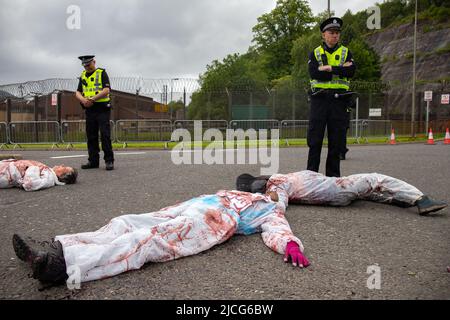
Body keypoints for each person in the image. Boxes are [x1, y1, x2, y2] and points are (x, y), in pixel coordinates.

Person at [12, 189, 309, 286]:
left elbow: (278, 230)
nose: (267, 191)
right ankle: (61, 246)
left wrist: (291, 244)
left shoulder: (270, 211)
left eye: (273, 191)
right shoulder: (226, 192)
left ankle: (64, 267)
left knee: (147, 240)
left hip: (211, 225)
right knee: (125, 221)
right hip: (185, 210)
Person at [236, 171, 447, 216]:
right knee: (376, 179)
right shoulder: (276, 185)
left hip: (333, 189)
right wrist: (263, 198)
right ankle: (421, 199)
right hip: (336, 189)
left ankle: (398, 200)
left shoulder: (278, 180)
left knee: (369, 193)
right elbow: (278, 204)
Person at [307, 17, 356, 177]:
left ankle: (333, 179)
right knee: (315, 141)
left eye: (337, 33)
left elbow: (351, 72)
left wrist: (329, 68)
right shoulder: (315, 52)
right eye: (331, 32)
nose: (335, 35)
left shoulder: (346, 52)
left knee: (336, 142)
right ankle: (311, 177)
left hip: (339, 102)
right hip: (319, 101)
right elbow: (314, 73)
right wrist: (338, 69)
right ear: (323, 35)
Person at [75, 55, 114, 171]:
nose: (87, 67)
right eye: (84, 65)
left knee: (105, 135)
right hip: (89, 109)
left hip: (102, 108)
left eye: (88, 64)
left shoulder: (101, 73)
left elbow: (106, 90)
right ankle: (93, 161)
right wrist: (83, 100)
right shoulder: (82, 76)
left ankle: (109, 161)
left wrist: (92, 99)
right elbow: (77, 92)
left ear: (94, 62)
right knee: (91, 136)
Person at [0, 159, 77, 191]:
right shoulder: (49, 172)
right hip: (6, 170)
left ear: (61, 175)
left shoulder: (49, 178)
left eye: (64, 167)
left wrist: (31, 167)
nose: (62, 165)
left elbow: (31, 184)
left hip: (5, 175)